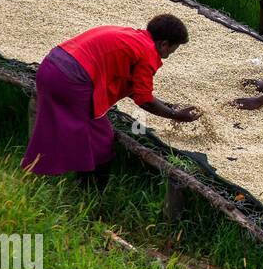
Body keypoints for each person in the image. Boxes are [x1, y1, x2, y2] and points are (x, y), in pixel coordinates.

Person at [23, 14, 201, 187]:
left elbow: (133, 87)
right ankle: (90, 191)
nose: (168, 55)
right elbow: (144, 100)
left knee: (55, 125)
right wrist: (174, 115)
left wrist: (168, 106)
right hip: (71, 80)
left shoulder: (131, 37)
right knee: (100, 139)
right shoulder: (148, 53)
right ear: (164, 44)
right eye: (172, 50)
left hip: (50, 67)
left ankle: (45, 175)